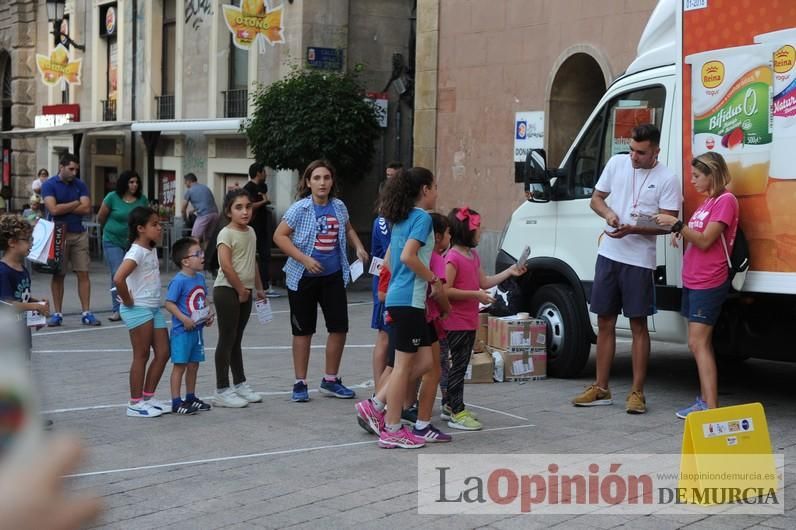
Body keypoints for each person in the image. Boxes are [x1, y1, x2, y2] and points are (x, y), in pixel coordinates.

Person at [572, 123, 680, 414]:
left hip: (639, 261)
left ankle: (637, 392)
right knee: (604, 322)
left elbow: (669, 223)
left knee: (638, 325)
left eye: (641, 152)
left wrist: (635, 228)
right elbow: (597, 199)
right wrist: (609, 214)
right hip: (609, 253)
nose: (633, 156)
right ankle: (601, 387)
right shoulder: (617, 163)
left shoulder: (668, 178)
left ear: (655, 151)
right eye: (632, 149)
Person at [354, 167, 440, 449]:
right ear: (425, 190)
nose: (436, 193)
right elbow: (407, 256)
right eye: (435, 187)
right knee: (403, 366)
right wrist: (432, 279)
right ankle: (391, 429)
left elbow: (391, 262)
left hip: (401, 298)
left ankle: (376, 403)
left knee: (425, 362)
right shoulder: (422, 219)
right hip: (408, 300)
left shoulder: (401, 219)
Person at [273, 159, 369, 403]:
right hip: (303, 278)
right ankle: (300, 382)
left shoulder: (338, 206)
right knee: (303, 331)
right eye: (316, 178)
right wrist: (304, 259)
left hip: (333, 276)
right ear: (308, 182)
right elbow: (279, 236)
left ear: (332, 181)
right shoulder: (300, 209)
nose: (322, 182)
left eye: (326, 177)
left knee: (339, 328)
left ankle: (330, 379)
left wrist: (357, 246)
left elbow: (347, 229)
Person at [653, 152, 738, 418]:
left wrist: (677, 224)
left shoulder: (726, 201)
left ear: (712, 174)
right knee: (699, 343)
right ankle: (705, 401)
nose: (692, 181)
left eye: (697, 176)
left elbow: (704, 241)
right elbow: (696, 233)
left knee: (698, 343)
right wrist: (682, 231)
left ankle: (710, 407)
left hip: (709, 280)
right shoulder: (708, 202)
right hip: (694, 279)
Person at [444, 206, 527, 430]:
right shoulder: (452, 257)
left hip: (469, 321)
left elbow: (484, 282)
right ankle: (457, 411)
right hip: (455, 322)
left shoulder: (473, 256)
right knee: (458, 367)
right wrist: (475, 295)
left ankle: (450, 405)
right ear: (465, 230)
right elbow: (446, 290)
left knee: (459, 366)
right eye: (477, 227)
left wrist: (510, 271)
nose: (481, 231)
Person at [114, 207, 170, 418]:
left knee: (164, 352)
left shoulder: (150, 248)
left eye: (160, 224)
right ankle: (135, 403)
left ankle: (148, 397)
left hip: (152, 308)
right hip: (138, 309)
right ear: (140, 229)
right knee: (142, 354)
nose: (159, 228)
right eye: (154, 225)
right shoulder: (136, 251)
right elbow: (119, 278)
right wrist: (127, 301)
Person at [212, 189, 264, 408]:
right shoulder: (226, 234)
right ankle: (222, 389)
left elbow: (253, 261)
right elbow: (226, 265)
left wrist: (259, 288)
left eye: (248, 207)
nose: (245, 211)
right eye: (238, 207)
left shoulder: (251, 231)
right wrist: (241, 289)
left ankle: (240, 383)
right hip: (227, 290)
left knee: (236, 338)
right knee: (226, 338)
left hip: (246, 291)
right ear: (228, 211)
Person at [40, 152, 101, 327]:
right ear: (62, 166)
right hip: (59, 234)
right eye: (71, 169)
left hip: (78, 233)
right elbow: (53, 210)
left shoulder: (80, 184)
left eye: (76, 169)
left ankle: (86, 312)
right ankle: (58, 313)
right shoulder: (50, 184)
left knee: (83, 272)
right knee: (58, 274)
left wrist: (64, 206)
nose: (74, 173)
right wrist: (75, 203)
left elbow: (87, 208)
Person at [165, 237, 215, 415]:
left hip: (197, 331)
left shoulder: (200, 278)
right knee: (180, 365)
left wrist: (209, 314)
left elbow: (203, 299)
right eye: (198, 254)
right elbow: (169, 303)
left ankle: (191, 396)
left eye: (202, 253)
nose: (202, 256)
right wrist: (184, 318)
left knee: (194, 364)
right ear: (185, 261)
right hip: (182, 332)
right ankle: (176, 401)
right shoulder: (179, 281)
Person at [97, 170, 149, 322]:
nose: (134, 185)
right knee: (117, 272)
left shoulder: (142, 199)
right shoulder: (112, 197)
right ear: (124, 183)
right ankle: (117, 309)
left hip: (133, 242)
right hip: (112, 239)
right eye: (131, 182)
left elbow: (146, 218)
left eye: (136, 182)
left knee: (134, 273)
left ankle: (134, 304)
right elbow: (101, 217)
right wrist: (111, 229)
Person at [0, 214, 50, 354]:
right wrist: (33, 306)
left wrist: (39, 305)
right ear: (12, 242)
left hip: (22, 335)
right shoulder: (3, 271)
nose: (32, 243)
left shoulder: (23, 269)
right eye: (27, 239)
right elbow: (7, 305)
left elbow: (21, 297)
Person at [243, 162, 277, 296]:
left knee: (265, 256)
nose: (266, 174)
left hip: (262, 227)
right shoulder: (248, 188)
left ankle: (265, 286)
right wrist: (264, 202)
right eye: (264, 171)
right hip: (252, 227)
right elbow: (249, 205)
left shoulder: (262, 187)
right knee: (250, 256)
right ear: (258, 173)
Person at [182, 172, 219, 247]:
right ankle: (207, 257)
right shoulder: (205, 188)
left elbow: (183, 209)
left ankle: (196, 256)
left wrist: (185, 219)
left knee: (194, 239)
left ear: (189, 181)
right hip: (215, 214)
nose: (185, 184)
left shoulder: (190, 191)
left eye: (185, 182)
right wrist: (193, 210)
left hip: (204, 215)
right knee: (208, 239)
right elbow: (206, 202)